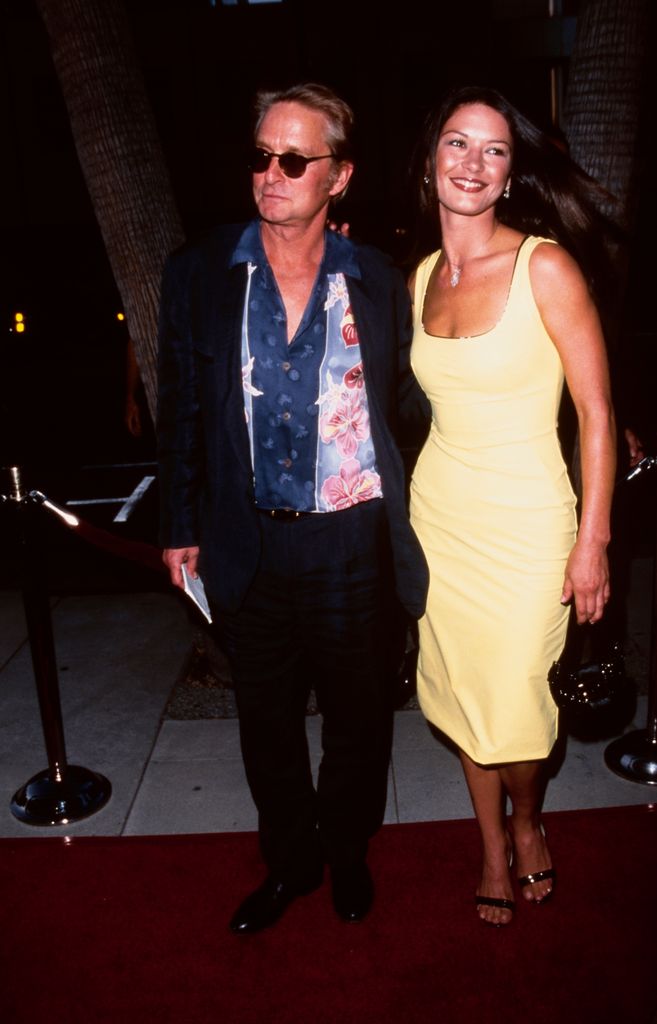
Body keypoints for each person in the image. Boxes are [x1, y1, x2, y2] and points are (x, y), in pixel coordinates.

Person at [157, 82, 428, 933]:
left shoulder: (379, 280)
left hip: (351, 544)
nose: (270, 175)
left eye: (293, 160)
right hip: (249, 544)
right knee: (265, 727)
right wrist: (180, 526)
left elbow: (413, 408)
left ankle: (346, 852)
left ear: (337, 176)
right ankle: (291, 864)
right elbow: (183, 409)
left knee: (356, 724)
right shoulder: (199, 271)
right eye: (260, 156)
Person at [407, 85, 616, 926]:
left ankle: (526, 819)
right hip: (438, 517)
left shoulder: (545, 266)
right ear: (430, 164)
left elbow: (597, 412)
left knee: (519, 708)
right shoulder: (422, 274)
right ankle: (491, 847)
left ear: (508, 176)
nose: (471, 163)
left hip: (529, 524)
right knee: (462, 692)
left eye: (491, 151)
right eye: (456, 144)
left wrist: (592, 540)